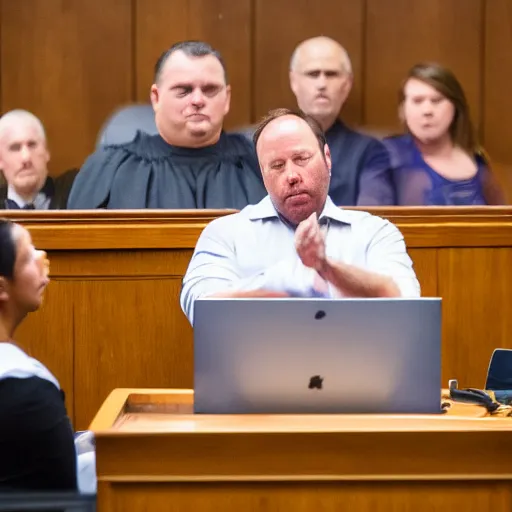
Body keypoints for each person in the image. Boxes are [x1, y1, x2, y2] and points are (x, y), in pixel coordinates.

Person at [180, 108, 420, 325]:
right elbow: (202, 310)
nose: (292, 175)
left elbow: (406, 307)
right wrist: (290, 281)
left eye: (301, 159)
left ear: (327, 158)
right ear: (263, 175)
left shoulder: (375, 233)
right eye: (276, 166)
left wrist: (326, 267)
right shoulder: (224, 234)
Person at [67, 40, 266, 209]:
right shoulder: (108, 168)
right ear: (156, 98)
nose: (198, 100)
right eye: (184, 90)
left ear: (227, 98)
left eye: (210, 89)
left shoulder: (263, 164)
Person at [0, 220, 96, 494]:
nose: (43, 261)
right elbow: (60, 489)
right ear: (2, 288)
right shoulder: (26, 391)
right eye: (29, 256)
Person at [358, 62, 506, 205]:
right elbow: (371, 221)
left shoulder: (478, 158)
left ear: (455, 107)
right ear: (403, 110)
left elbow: (502, 221)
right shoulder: (384, 155)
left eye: (436, 100)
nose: (427, 110)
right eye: (417, 101)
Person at [289, 36, 391, 206]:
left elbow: (373, 219)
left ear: (347, 83)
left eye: (331, 74)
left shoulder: (369, 152)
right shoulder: (265, 146)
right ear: (294, 81)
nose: (322, 84)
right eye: (313, 74)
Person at [0, 110, 77, 210]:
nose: (26, 157)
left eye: (32, 145)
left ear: (46, 152)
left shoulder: (75, 195)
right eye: (15, 148)